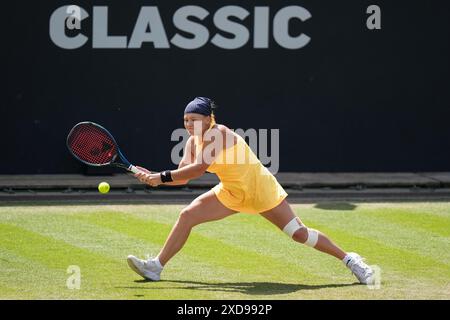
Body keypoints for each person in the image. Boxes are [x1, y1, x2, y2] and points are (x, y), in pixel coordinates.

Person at [127, 97, 374, 284]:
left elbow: (197, 170)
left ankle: (350, 260)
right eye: (186, 121)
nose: (189, 124)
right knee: (187, 215)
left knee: (299, 234)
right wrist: (151, 176)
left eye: (194, 119)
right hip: (231, 193)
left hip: (260, 190)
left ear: (208, 119)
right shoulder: (192, 142)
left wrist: (159, 178)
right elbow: (180, 177)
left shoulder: (219, 133)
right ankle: (156, 267)